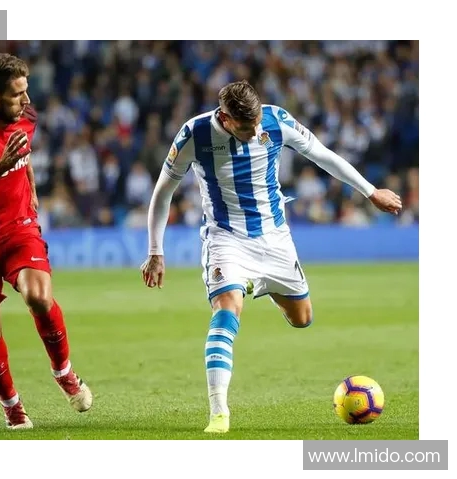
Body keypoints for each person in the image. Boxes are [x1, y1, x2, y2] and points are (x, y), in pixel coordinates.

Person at [140, 80, 402, 434]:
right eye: (246, 128)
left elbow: (322, 155)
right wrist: (155, 250)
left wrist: (370, 192)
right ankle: (219, 413)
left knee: (302, 318)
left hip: (275, 239)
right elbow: (164, 190)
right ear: (226, 119)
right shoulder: (195, 134)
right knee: (226, 310)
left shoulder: (276, 120)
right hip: (226, 238)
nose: (255, 132)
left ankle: (256, 285)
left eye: (257, 123)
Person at [0, 53, 92, 430]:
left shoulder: (26, 115)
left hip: (17, 228)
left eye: (26, 91)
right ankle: (11, 404)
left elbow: (23, 154)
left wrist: (31, 187)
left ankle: (64, 373)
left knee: (39, 296)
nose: (26, 100)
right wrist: (0, 166)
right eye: (17, 94)